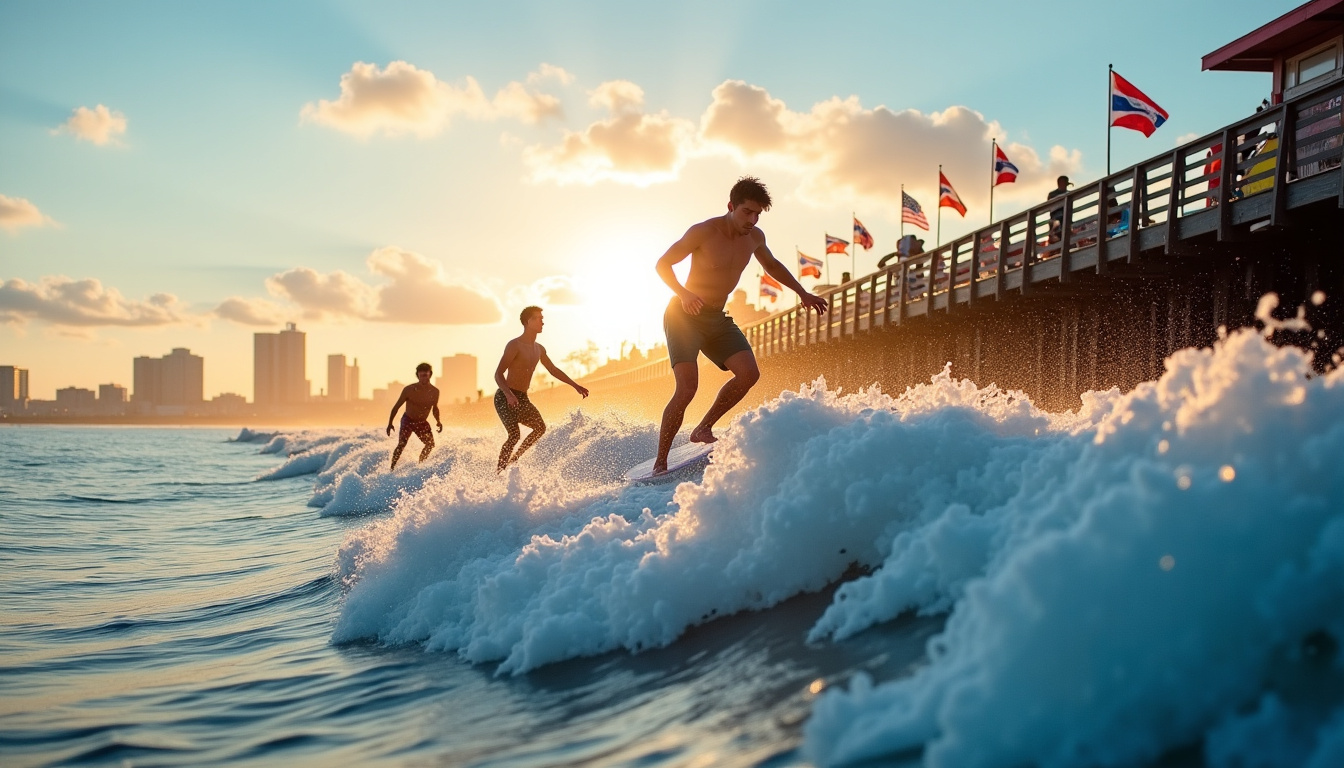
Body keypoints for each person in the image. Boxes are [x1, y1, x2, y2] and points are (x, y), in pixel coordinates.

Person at [652, 176, 828, 475]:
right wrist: (683, 293)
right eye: (747, 212)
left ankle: (703, 427)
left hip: (716, 318)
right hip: (684, 316)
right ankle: (660, 462)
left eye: (758, 213)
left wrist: (802, 292)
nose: (753, 219)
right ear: (731, 206)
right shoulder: (703, 232)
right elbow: (662, 264)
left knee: (749, 373)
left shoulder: (755, 237)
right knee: (686, 389)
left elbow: (772, 266)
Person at [493, 306, 589, 471]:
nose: (542, 321)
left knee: (540, 428)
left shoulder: (539, 349)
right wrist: (508, 395)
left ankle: (514, 460)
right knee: (514, 435)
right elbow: (498, 374)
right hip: (505, 396)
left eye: (542, 318)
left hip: (522, 397)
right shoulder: (514, 345)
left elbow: (553, 370)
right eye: (538, 318)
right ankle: (499, 471)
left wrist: (575, 385)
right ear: (527, 322)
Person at [386, 362, 442, 470]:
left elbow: (435, 408)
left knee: (430, 444)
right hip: (408, 420)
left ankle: (420, 466)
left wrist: (438, 421)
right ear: (418, 375)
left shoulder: (435, 392)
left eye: (426, 375)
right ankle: (391, 469)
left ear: (430, 374)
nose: (424, 378)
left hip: (421, 422)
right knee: (402, 444)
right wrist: (390, 423)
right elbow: (396, 406)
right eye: (421, 376)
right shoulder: (409, 390)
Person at [1047, 175, 1071, 243]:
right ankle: (1054, 236)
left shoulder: (1069, 193)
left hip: (1066, 217)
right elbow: (1050, 207)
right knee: (1055, 222)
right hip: (1056, 218)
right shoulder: (1052, 194)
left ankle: (1055, 236)